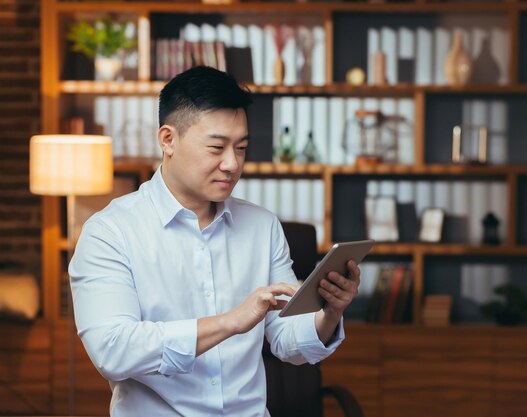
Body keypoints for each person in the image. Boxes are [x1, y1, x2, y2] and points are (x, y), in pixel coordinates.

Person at [69, 65, 361, 417]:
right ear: (168, 139)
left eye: (241, 148)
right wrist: (231, 321)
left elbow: (286, 341)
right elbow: (112, 351)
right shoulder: (110, 232)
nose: (232, 164)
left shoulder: (262, 226)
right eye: (216, 147)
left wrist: (329, 313)